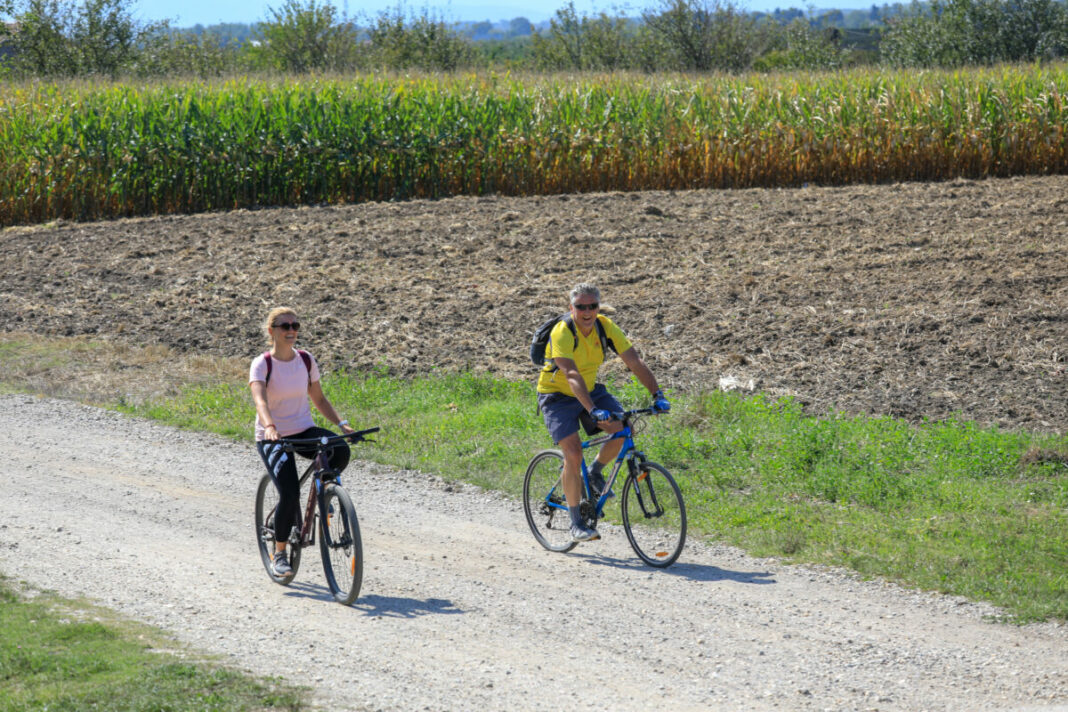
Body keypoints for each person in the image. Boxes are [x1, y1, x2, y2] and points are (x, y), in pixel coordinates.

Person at [536, 283, 671, 543]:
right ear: (571, 308)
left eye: (592, 306)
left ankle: (596, 471)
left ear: (599, 307)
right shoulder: (562, 331)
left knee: (623, 430)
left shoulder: (605, 326)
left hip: (590, 389)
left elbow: (634, 361)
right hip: (557, 397)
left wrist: (658, 395)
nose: (587, 311)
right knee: (573, 454)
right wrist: (593, 410)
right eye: (580, 306)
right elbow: (571, 373)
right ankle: (576, 523)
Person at [250, 306, 354, 577]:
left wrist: (341, 425)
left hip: (302, 429)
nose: (292, 331)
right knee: (290, 492)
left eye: (295, 325)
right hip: (273, 437)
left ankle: (325, 493)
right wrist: (270, 427)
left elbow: (319, 399)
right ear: (272, 330)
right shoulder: (263, 364)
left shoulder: (305, 360)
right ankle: (280, 554)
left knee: (340, 448)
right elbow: (260, 400)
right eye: (285, 326)